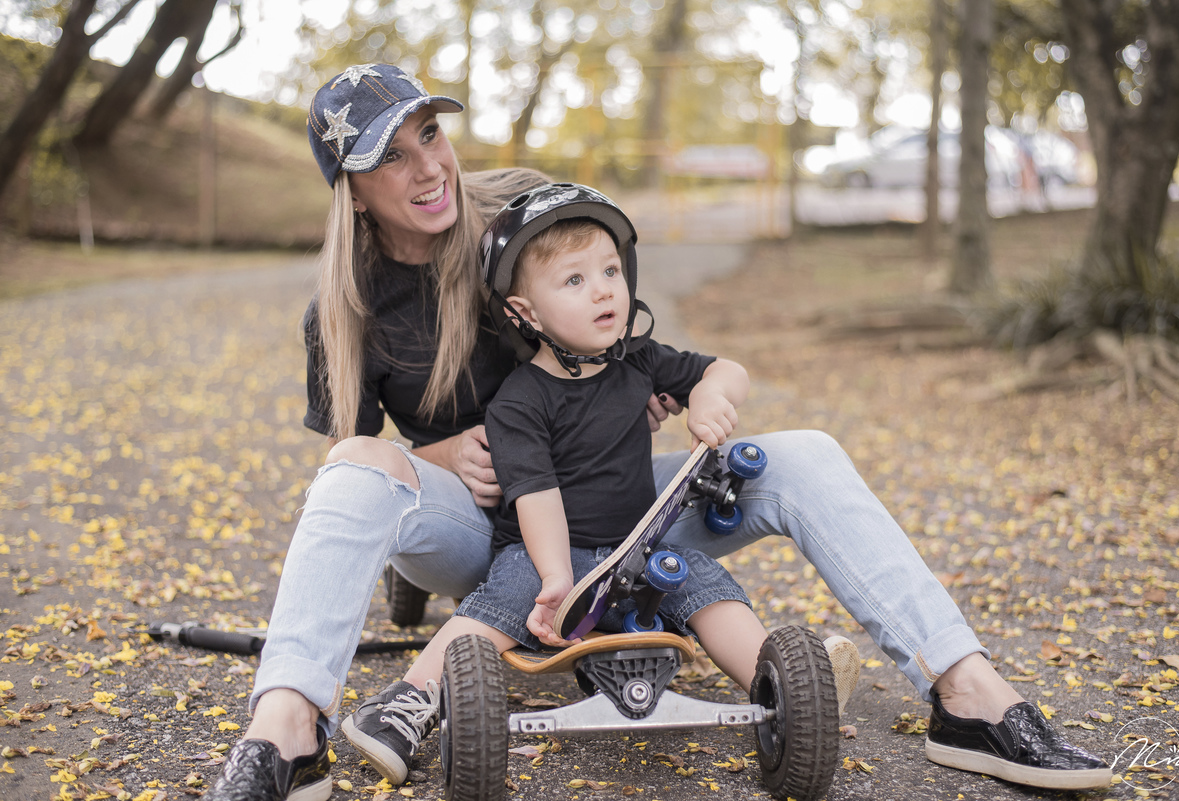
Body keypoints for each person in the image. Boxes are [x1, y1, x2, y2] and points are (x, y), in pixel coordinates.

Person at [203, 64, 1112, 801]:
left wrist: (649, 395)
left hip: (620, 500)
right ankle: (288, 730)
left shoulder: (520, 209)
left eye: (428, 135)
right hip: (479, 527)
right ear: (352, 190)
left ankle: (967, 694)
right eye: (390, 157)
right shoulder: (345, 307)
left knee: (806, 455)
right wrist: (434, 453)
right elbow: (352, 459)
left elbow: (615, 310)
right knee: (355, 475)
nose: (426, 167)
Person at [338, 184, 863, 784]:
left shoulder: (638, 360)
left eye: (610, 269)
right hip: (545, 554)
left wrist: (710, 396)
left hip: (638, 548)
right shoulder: (518, 403)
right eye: (574, 280)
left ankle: (787, 692)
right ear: (525, 313)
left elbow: (727, 370)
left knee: (709, 585)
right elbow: (536, 496)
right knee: (500, 602)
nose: (604, 288)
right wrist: (559, 576)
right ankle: (409, 704)